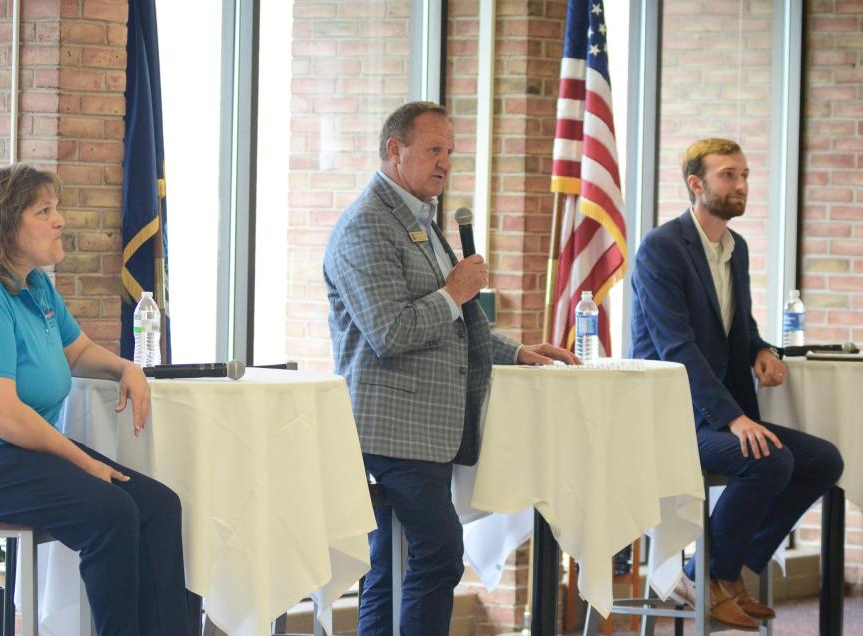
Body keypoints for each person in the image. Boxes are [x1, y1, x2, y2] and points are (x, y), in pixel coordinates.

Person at [323, 101, 578, 635]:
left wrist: (517, 350)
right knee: (438, 555)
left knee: (393, 564)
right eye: (434, 150)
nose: (445, 164)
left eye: (451, 152)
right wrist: (453, 290)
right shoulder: (366, 226)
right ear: (396, 151)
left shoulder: (421, 220)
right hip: (391, 430)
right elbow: (389, 332)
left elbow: (457, 322)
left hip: (430, 429)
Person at [0, 164, 189, 636]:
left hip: (7, 454)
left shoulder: (34, 285)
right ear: (3, 226)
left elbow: (75, 352)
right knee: (111, 512)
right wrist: (81, 461)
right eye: (44, 211)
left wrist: (126, 367)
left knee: (159, 505)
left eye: (56, 208)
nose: (61, 220)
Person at [630, 138, 844, 631]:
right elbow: (676, 346)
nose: (742, 184)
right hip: (673, 415)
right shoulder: (661, 248)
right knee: (769, 459)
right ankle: (706, 577)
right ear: (695, 184)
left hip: (716, 415)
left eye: (745, 175)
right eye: (728, 175)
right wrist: (734, 417)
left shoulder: (735, 247)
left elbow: (738, 326)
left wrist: (761, 349)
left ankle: (728, 573)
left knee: (823, 460)